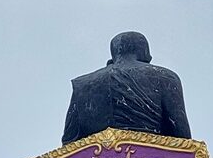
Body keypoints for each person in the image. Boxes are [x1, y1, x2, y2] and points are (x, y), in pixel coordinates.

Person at [62, 32, 192, 145]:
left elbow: (69, 143)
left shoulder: (82, 84)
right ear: (144, 53)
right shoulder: (166, 77)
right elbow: (182, 138)